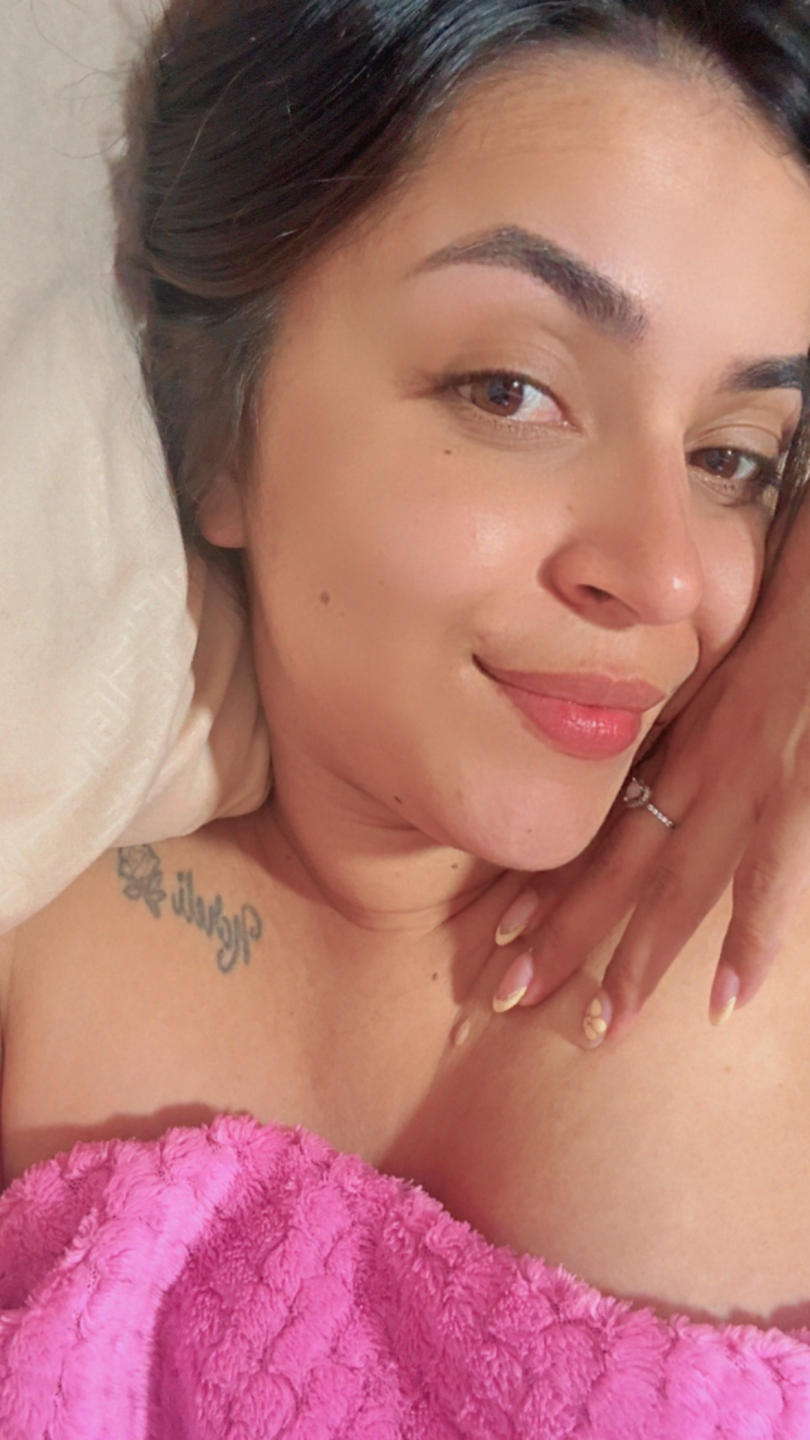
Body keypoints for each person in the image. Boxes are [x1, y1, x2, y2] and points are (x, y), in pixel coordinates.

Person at [3, 0, 810, 1399]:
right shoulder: (37, 933)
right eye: (510, 389)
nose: (664, 574)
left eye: (732, 458)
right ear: (216, 427)